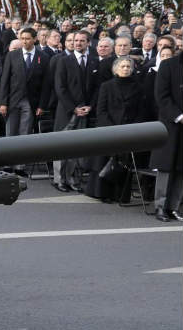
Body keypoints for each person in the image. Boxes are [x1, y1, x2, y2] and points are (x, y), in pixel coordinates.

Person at [89, 57, 143, 202]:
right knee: (105, 162)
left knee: (123, 163)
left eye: (128, 66)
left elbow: (140, 110)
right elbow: (101, 110)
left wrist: (132, 127)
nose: (125, 69)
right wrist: (112, 128)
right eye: (122, 66)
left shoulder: (138, 87)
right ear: (116, 69)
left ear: (132, 69)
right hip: (108, 130)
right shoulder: (106, 86)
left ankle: (121, 195)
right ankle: (103, 193)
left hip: (129, 131)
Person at [52, 30, 98, 192]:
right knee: (62, 147)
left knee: (78, 148)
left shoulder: (93, 61)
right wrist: (74, 108)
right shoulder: (64, 61)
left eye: (81, 41)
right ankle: (59, 180)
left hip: (85, 112)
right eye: (75, 40)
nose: (78, 43)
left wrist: (90, 106)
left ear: (88, 43)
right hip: (67, 112)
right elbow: (60, 87)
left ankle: (73, 180)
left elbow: (95, 89)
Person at [0, 27, 49, 140]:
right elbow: (5, 80)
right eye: (22, 38)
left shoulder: (43, 57)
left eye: (27, 38)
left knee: (25, 133)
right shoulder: (12, 55)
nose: (24, 41)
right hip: (13, 100)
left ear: (35, 39)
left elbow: (45, 84)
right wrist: (3, 103)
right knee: (11, 133)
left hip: (31, 101)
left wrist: (41, 105)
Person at [152, 44, 183, 221]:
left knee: (181, 169)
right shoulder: (168, 65)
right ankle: (160, 206)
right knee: (166, 167)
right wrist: (179, 116)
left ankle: (173, 207)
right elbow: (161, 96)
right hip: (171, 124)